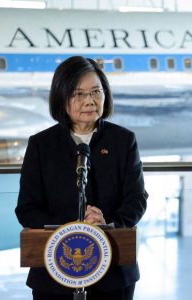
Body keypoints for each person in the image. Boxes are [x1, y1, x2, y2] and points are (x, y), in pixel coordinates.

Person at [15, 56, 148, 300]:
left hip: (113, 273)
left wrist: (109, 222)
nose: (89, 101)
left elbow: (137, 199)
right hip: (54, 274)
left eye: (96, 91)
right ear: (61, 98)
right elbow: (26, 208)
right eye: (78, 94)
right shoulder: (41, 145)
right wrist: (68, 230)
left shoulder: (123, 140)